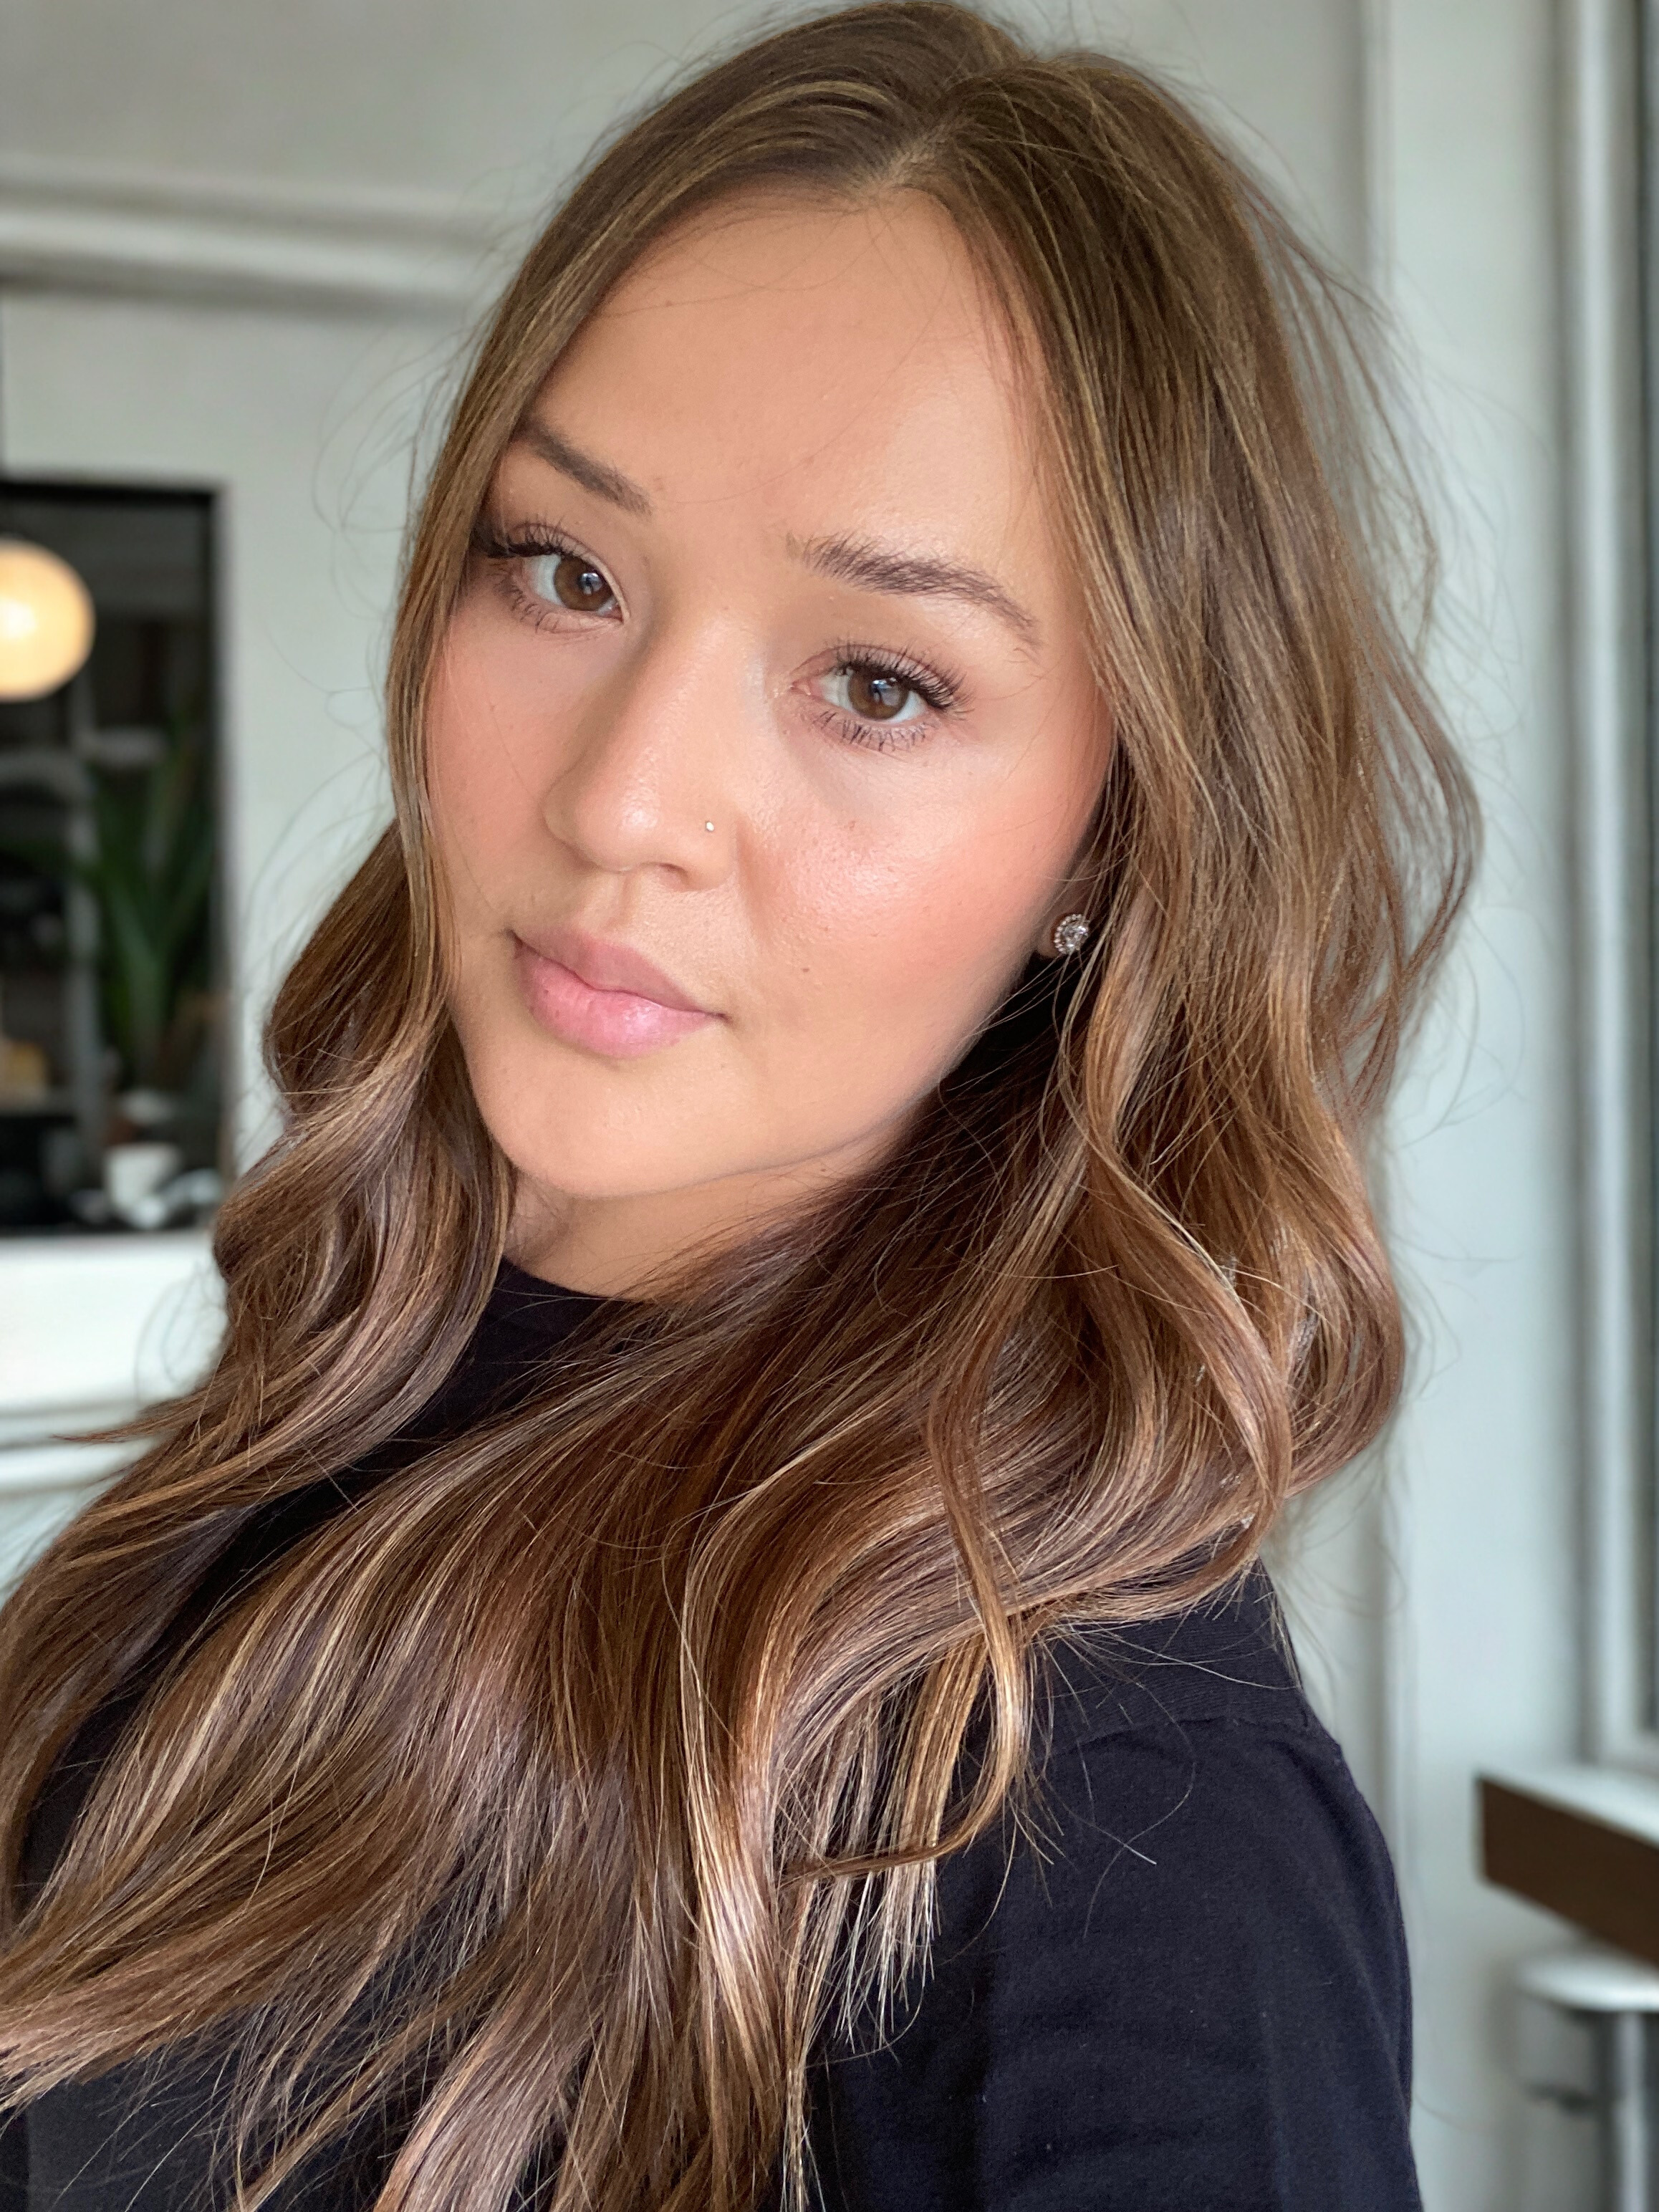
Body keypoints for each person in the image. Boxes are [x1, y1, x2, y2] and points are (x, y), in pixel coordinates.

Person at [0, 4, 1474, 2207]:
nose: (623, 803)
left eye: (877, 683)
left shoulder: (1093, 1812)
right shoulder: (336, 1395)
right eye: (564, 572)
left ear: (1106, 840)